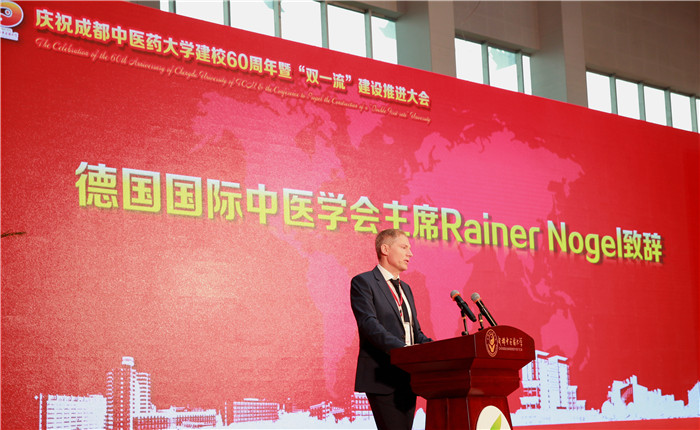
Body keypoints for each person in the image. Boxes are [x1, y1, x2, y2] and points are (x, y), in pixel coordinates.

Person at [350, 228, 432, 430]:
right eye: (404, 247)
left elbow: (415, 332)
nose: (410, 254)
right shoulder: (364, 282)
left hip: (408, 377)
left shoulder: (406, 289)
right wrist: (403, 350)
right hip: (383, 377)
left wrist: (436, 349)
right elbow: (369, 325)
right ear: (385, 249)